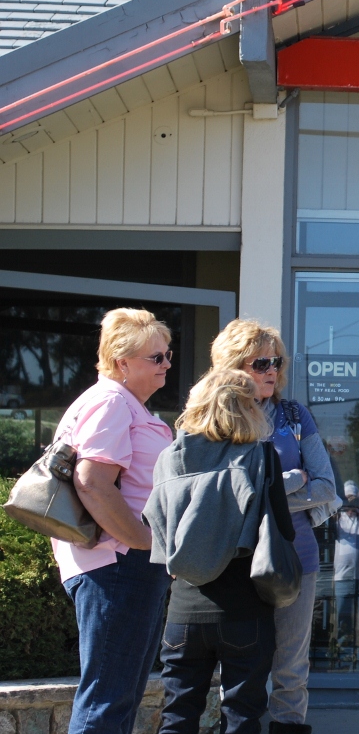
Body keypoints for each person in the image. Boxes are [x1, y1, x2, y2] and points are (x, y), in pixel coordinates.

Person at [146, 368, 294, 734]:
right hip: (244, 607)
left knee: (177, 716)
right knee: (242, 717)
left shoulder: (169, 458)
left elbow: (157, 529)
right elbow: (283, 531)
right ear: (246, 409)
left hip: (183, 609)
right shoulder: (261, 455)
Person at [210, 319, 339, 734]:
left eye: (277, 362)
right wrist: (291, 481)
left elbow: (325, 487)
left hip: (294, 558)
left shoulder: (293, 415)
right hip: (234, 561)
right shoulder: (216, 419)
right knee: (239, 667)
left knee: (291, 669)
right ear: (233, 366)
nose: (272, 371)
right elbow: (218, 493)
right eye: (260, 362)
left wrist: (263, 495)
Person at [52, 308, 175, 734]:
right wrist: (143, 540)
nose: (166, 364)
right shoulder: (111, 402)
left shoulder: (123, 404)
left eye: (168, 354)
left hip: (122, 563)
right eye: (155, 357)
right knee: (106, 702)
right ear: (122, 362)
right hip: (118, 563)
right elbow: (92, 482)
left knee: (117, 698)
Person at [332, 480, 359, 655]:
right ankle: (343, 651)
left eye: (352, 499)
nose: (350, 505)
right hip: (342, 576)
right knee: (343, 616)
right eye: (347, 499)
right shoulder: (337, 518)